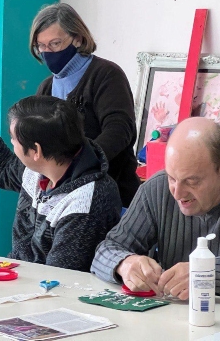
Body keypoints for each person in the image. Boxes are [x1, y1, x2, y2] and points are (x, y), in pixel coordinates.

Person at [0, 92, 121, 272]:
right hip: (21, 277)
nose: (11, 142)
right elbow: (3, 169)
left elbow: (59, 278)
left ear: (36, 151)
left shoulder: (86, 203)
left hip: (46, 285)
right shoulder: (43, 166)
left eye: (13, 139)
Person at [91, 117, 220, 300]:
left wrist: (207, 273)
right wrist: (125, 264)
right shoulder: (157, 189)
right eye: (172, 178)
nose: (177, 193)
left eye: (192, 182)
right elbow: (106, 250)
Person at [31, 3, 140, 207]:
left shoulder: (106, 75)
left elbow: (119, 130)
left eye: (55, 44)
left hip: (110, 194)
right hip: (62, 199)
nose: (48, 52)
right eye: (41, 46)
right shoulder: (46, 88)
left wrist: (80, 166)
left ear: (78, 38)